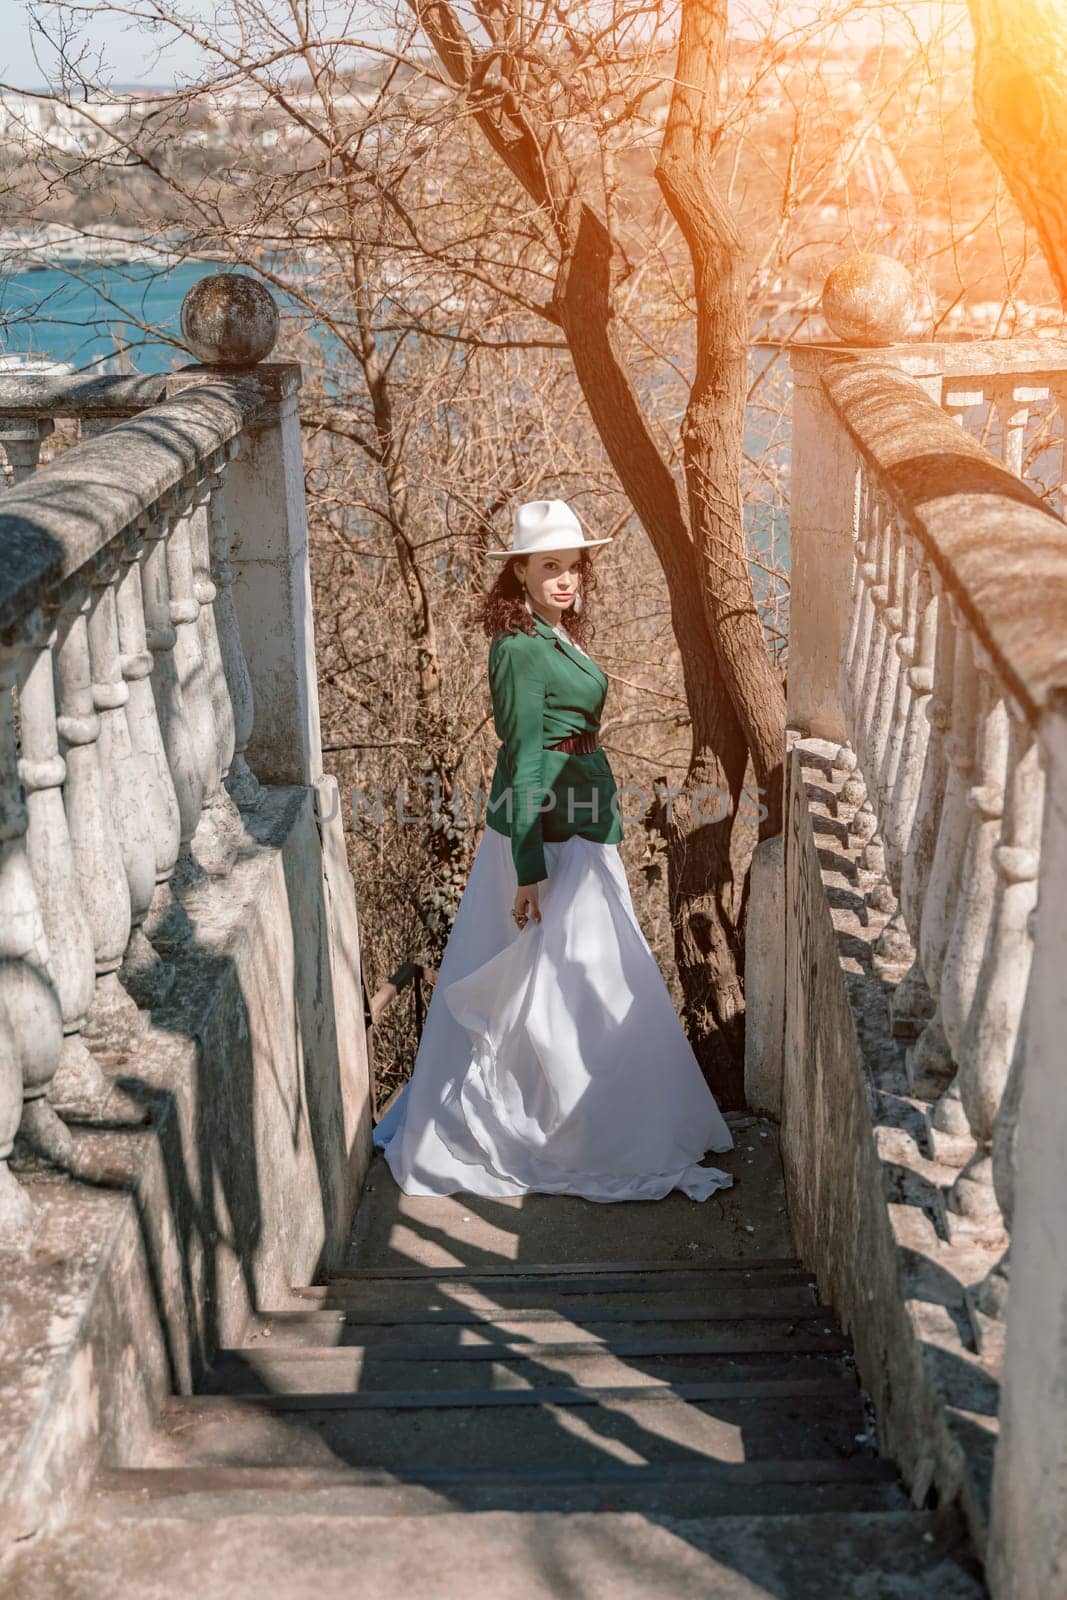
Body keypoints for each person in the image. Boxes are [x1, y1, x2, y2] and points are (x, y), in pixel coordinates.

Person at [372, 498, 735, 1201]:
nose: (566, 579)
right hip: (544, 837)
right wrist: (528, 872)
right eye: (549, 567)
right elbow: (525, 758)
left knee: (581, 987)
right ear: (519, 573)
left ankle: (585, 1125)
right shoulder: (517, 650)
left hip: (584, 822)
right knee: (572, 989)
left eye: (573, 566)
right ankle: (562, 1135)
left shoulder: (557, 636)